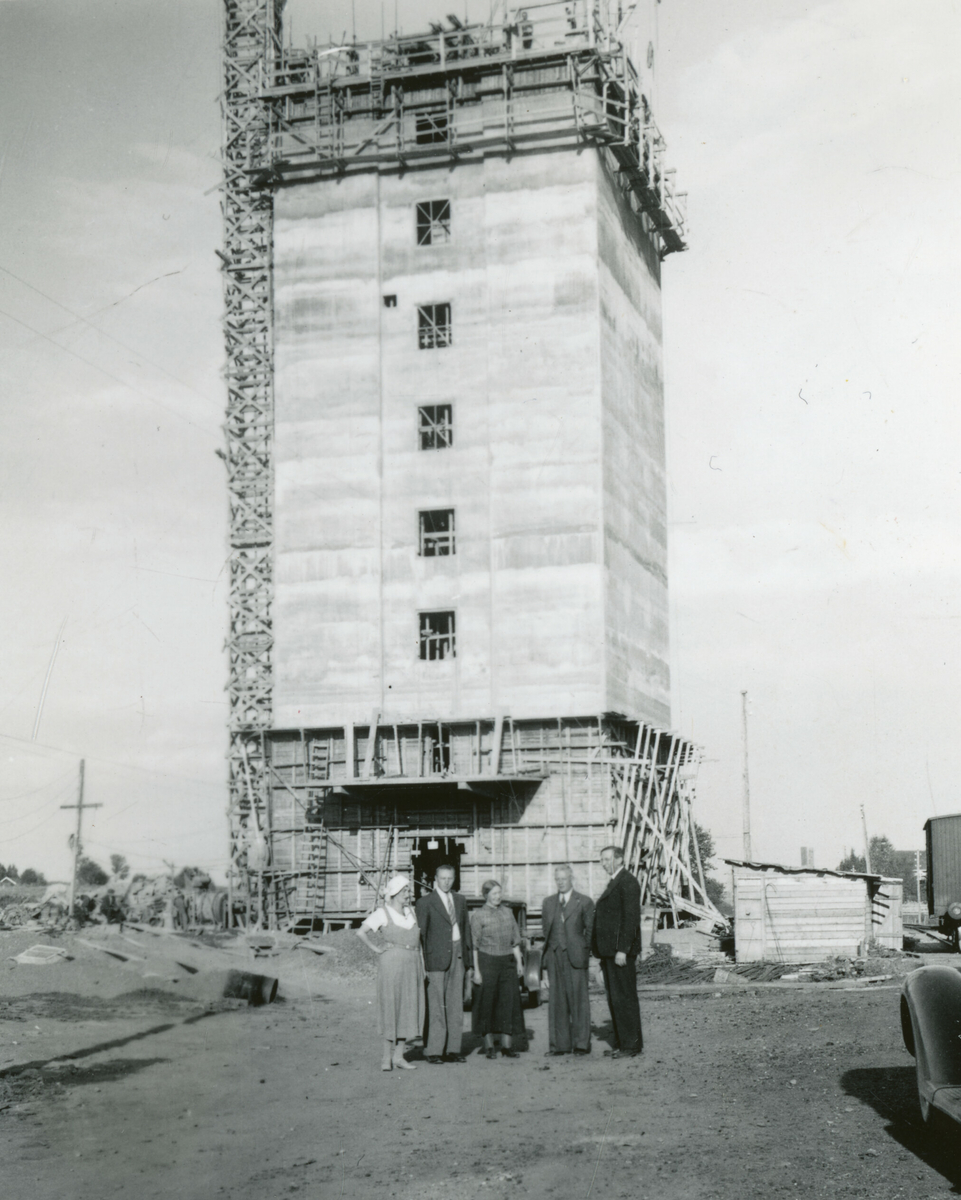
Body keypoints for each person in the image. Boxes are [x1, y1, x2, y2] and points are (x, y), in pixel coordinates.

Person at [356, 875, 425, 1071]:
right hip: (391, 965)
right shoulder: (382, 913)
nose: (407, 894)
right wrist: (377, 949)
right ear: (394, 893)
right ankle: (386, 1057)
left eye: (408, 890)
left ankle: (399, 1056)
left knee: (407, 1008)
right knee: (391, 1008)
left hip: (412, 964)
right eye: (404, 891)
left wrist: (423, 964)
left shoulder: (412, 912)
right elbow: (361, 932)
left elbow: (419, 942)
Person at [415, 863, 471, 1064]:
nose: (446, 882)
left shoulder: (460, 900)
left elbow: (466, 931)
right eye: (442, 878)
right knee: (436, 1006)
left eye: (450, 878)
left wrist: (468, 961)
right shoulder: (425, 902)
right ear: (435, 880)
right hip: (435, 959)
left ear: (454, 879)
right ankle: (434, 1051)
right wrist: (423, 964)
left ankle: (453, 1049)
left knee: (456, 1004)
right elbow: (420, 936)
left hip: (457, 956)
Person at [592, 845, 642, 1058]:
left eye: (606, 859)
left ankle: (631, 1046)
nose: (603, 863)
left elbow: (630, 919)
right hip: (609, 952)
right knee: (615, 999)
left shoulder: (628, 882)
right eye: (601, 859)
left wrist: (622, 949)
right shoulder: (615, 882)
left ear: (620, 859)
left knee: (624, 998)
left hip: (619, 953)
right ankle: (623, 1044)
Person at [541, 864, 594, 1056]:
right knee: (557, 1002)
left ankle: (581, 1045)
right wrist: (547, 959)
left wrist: (583, 951)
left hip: (575, 957)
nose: (561, 882)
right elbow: (546, 932)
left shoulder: (585, 901)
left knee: (579, 1002)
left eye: (564, 879)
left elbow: (590, 931)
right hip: (555, 957)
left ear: (571, 879)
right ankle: (559, 1046)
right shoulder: (548, 903)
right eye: (558, 879)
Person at [470, 879, 524, 1059]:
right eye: (493, 894)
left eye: (499, 893)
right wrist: (476, 971)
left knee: (508, 1003)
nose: (497, 897)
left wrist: (519, 963)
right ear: (485, 895)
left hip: (507, 963)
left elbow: (515, 941)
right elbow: (474, 947)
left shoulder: (508, 913)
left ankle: (507, 1046)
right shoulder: (478, 916)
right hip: (487, 962)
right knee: (487, 1004)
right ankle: (489, 1047)